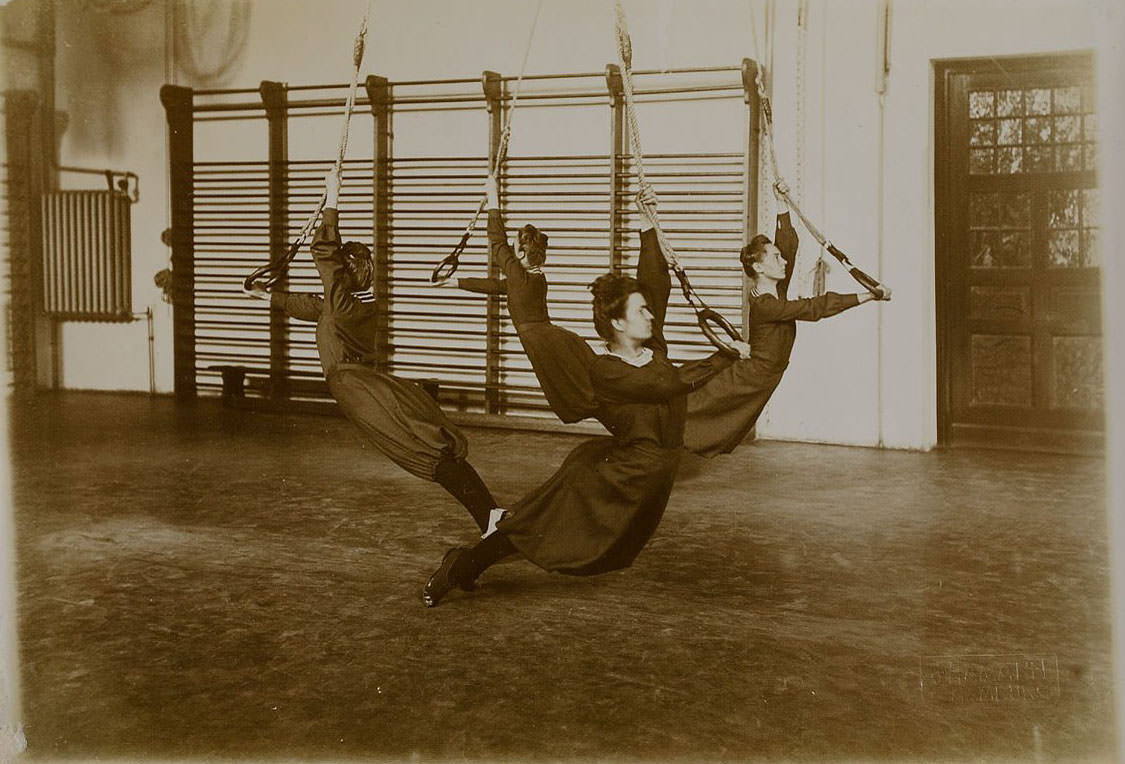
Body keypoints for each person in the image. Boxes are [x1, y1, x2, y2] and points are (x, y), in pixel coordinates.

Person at [421, 186, 752, 607]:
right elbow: (662, 385)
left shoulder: (656, 348)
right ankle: (462, 565)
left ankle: (469, 563)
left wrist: (647, 222)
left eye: (648, 310)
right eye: (640, 311)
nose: (650, 314)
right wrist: (725, 356)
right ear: (616, 322)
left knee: (550, 531)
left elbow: (655, 281)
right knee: (544, 531)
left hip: (648, 477)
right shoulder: (607, 371)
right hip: (621, 475)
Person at [247, 168, 500, 534]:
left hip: (354, 385)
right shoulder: (353, 303)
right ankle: (490, 516)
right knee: (426, 440)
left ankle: (490, 517)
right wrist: (265, 295)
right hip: (366, 382)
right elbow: (310, 304)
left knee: (421, 447)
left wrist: (332, 197)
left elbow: (324, 254)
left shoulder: (344, 305)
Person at [683, 181, 891, 457]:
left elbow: (788, 245)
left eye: (780, 258)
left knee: (704, 412)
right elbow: (814, 308)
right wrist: (868, 295)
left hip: (765, 374)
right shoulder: (765, 304)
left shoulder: (774, 289)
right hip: (753, 374)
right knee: (692, 406)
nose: (783, 262)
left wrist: (781, 202)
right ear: (758, 267)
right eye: (775, 259)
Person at [439, 175, 598, 424]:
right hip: (548, 335)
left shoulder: (518, 275)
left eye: (515, 249)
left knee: (564, 391)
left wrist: (493, 195)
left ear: (522, 253)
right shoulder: (534, 277)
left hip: (539, 339)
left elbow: (496, 242)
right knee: (570, 382)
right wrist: (455, 282)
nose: (511, 252)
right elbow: (497, 286)